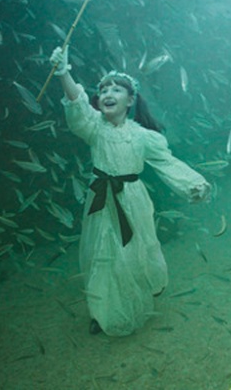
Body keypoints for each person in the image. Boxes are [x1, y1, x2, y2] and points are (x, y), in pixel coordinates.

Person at [49, 46, 211, 336]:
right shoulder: (94, 127)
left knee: (134, 252)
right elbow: (77, 104)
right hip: (100, 198)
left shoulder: (143, 136)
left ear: (130, 100)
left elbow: (166, 163)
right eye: (103, 90)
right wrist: (63, 72)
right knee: (102, 253)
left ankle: (135, 299)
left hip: (133, 199)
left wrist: (192, 184)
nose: (108, 93)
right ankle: (102, 311)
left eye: (116, 90)